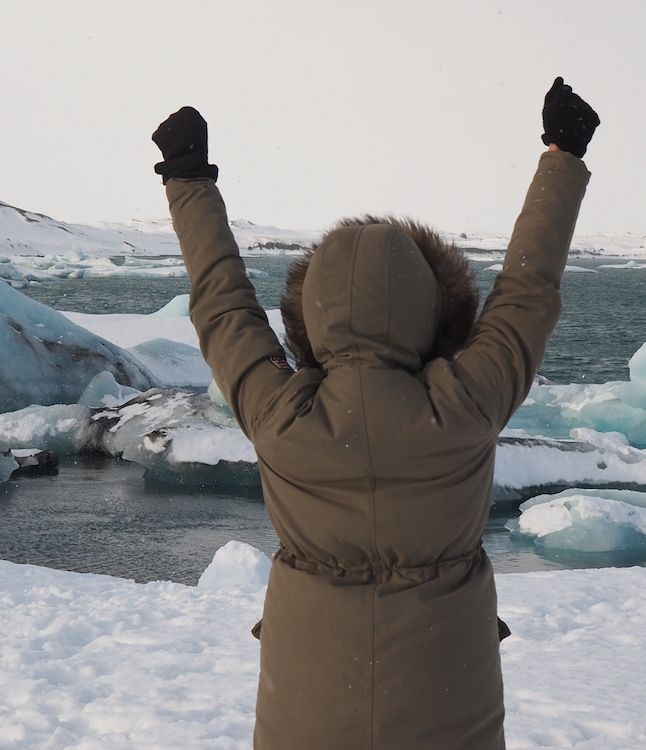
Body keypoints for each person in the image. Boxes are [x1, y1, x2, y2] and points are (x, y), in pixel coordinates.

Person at [151, 77, 598, 750]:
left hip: (306, 712)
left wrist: (188, 180)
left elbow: (221, 301)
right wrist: (562, 155)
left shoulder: (278, 409)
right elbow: (527, 291)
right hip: (449, 704)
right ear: (432, 307)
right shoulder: (467, 400)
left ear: (310, 314)